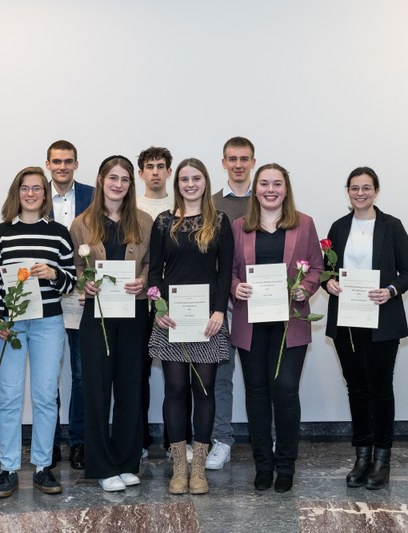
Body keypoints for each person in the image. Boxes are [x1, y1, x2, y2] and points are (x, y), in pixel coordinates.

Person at [0, 166, 76, 498]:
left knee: (45, 396)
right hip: (10, 326)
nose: (31, 193)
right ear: (16, 192)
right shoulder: (1, 232)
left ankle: (41, 467)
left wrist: (53, 273)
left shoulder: (59, 232)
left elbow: (72, 281)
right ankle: (8, 469)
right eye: (25, 188)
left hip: (48, 324)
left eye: (37, 188)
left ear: (45, 193)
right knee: (8, 397)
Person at [322, 167, 408, 490]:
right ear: (347, 191)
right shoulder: (338, 227)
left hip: (382, 320)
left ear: (376, 191)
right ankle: (361, 457)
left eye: (366, 188)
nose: (360, 193)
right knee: (357, 388)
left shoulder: (392, 226)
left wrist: (390, 290)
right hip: (347, 321)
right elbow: (325, 271)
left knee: (380, 388)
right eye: (354, 188)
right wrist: (330, 283)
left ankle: (382, 459)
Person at [230, 163, 323, 493]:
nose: (271, 189)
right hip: (250, 323)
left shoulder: (305, 224)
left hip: (290, 322)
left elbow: (316, 266)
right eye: (265, 183)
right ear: (255, 189)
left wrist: (305, 288)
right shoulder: (240, 226)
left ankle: (286, 464)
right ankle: (263, 464)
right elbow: (228, 270)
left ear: (286, 189)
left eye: (277, 184)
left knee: (284, 390)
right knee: (256, 395)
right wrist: (235, 286)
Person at [148, 158, 233, 495]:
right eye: (184, 179)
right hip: (172, 318)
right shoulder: (163, 222)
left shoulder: (220, 221)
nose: (189, 184)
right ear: (176, 183)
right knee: (175, 389)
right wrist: (158, 306)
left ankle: (199, 469)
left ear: (205, 181)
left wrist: (219, 312)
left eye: (196, 178)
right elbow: (155, 272)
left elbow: (225, 271)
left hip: (207, 321)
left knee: (205, 390)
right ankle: (178, 468)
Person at [69, 155, 153, 492]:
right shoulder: (81, 224)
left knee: (131, 387)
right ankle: (102, 466)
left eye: (125, 179)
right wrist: (83, 283)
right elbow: (75, 267)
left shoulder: (145, 221)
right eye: (112, 178)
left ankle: (126, 461)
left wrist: (144, 282)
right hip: (98, 315)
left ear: (131, 185)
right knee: (97, 389)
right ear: (101, 179)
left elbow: (150, 264)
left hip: (134, 313)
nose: (118, 184)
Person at [135, 146, 193, 461]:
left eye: (161, 166)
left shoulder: (184, 206)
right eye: (149, 166)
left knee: (180, 377)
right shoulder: (132, 208)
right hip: (142, 306)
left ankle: (177, 442)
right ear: (141, 172)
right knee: (140, 374)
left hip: (182, 307)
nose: (155, 172)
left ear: (169, 172)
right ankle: (141, 439)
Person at [206, 136, 257, 470]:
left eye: (244, 158)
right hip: (220, 309)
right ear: (223, 163)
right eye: (232, 158)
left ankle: (264, 440)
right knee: (220, 378)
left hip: (257, 307)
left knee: (259, 379)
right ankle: (221, 440)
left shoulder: (268, 199)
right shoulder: (210, 205)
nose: (238, 164)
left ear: (253, 162)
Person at [46, 140, 94, 470]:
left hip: (80, 293)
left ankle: (78, 441)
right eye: (56, 161)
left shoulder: (93, 196)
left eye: (68, 161)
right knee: (48, 374)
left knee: (81, 374)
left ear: (76, 164)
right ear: (48, 164)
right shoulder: (32, 194)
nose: (62, 166)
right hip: (46, 293)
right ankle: (48, 442)